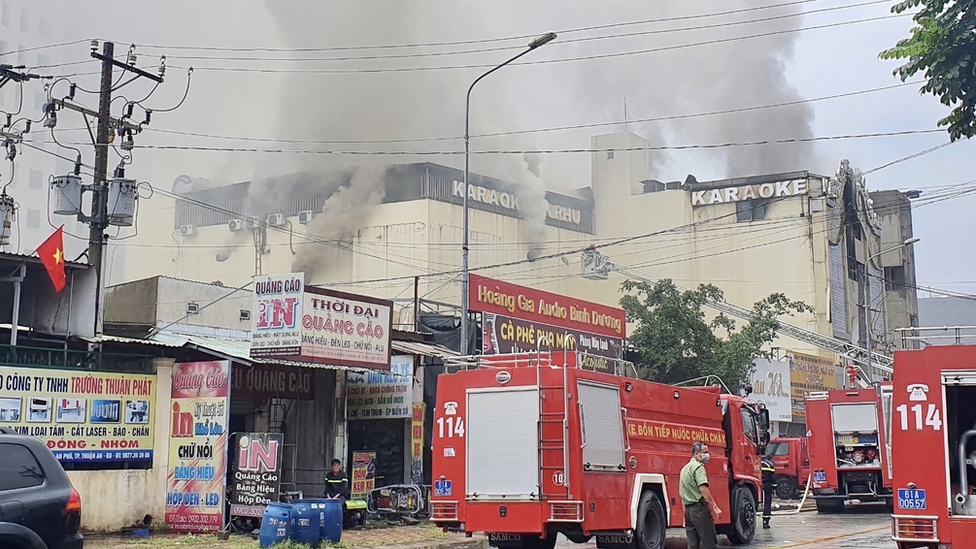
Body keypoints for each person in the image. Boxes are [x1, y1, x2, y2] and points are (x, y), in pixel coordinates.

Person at [679, 441, 722, 549]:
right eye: (704, 452)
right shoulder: (698, 467)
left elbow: (682, 495)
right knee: (710, 543)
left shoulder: (684, 469)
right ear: (697, 453)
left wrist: (685, 515)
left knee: (693, 545)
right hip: (700, 511)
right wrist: (715, 507)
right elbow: (703, 489)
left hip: (689, 512)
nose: (707, 455)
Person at [761, 456, 777, 529]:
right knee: (767, 503)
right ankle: (765, 522)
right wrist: (774, 486)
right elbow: (773, 477)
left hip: (758, 484)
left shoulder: (756, 462)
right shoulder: (769, 464)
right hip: (767, 484)